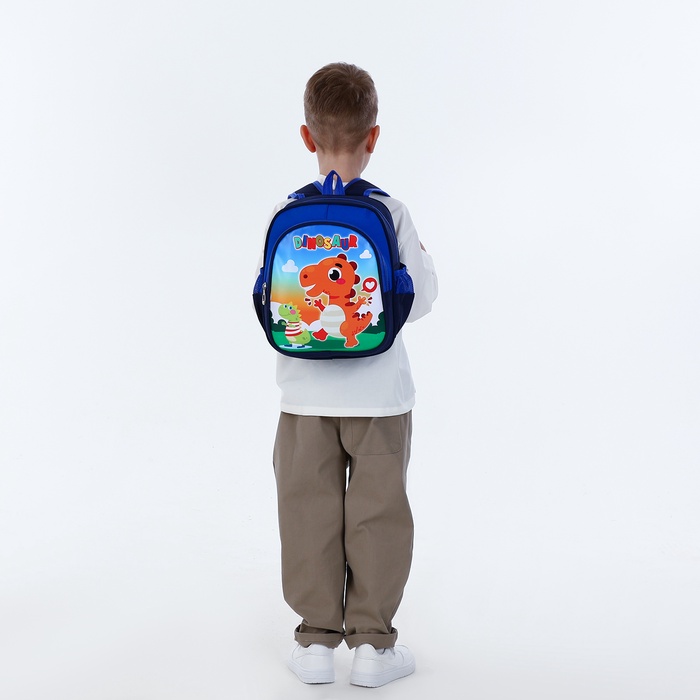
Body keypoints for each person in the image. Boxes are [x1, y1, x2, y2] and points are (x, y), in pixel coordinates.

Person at [260, 62, 438, 688]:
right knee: (378, 513)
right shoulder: (391, 211)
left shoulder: (286, 211)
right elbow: (421, 299)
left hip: (302, 398)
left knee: (306, 512)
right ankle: (372, 648)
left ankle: (314, 642)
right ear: (374, 136)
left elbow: (269, 301)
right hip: (380, 398)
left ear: (306, 137)